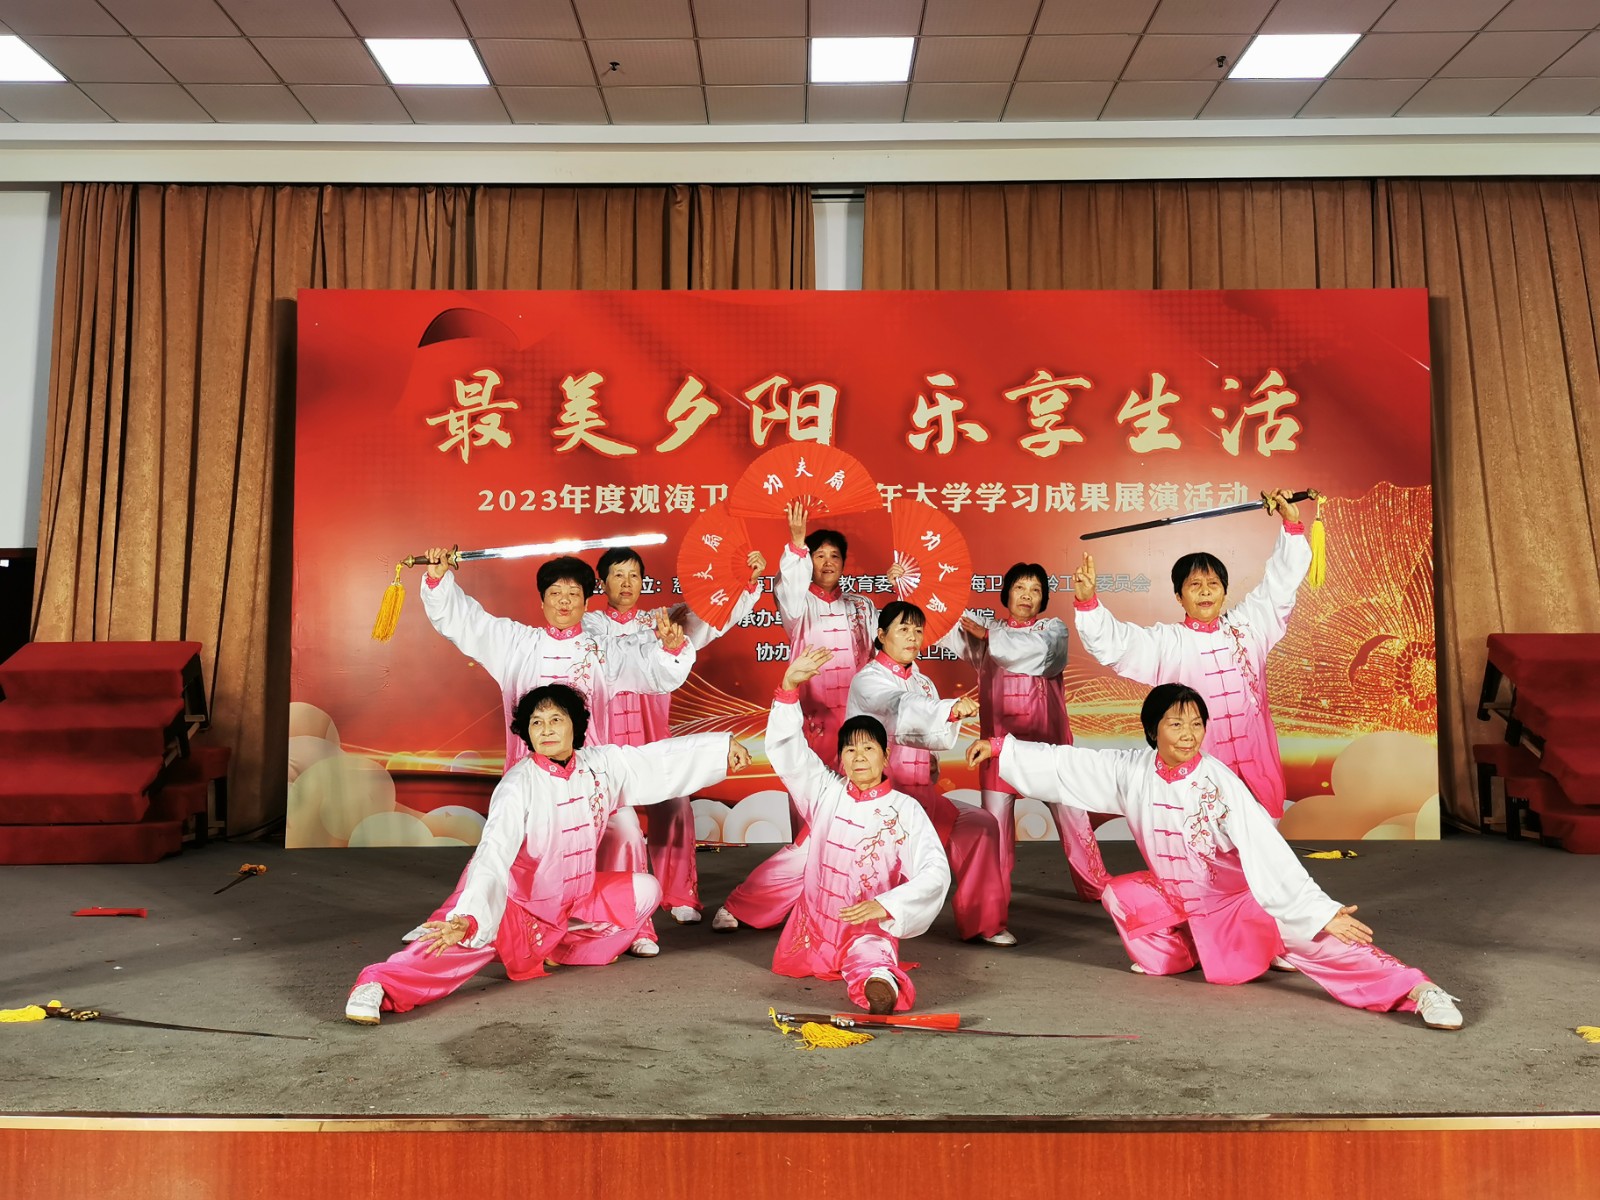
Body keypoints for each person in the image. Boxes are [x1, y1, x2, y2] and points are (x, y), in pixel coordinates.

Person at [966, 683, 1464, 1030]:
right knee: (1121, 894)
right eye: (1176, 723)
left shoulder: (1218, 784)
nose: (1188, 733)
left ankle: (1418, 991)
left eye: (1196, 723)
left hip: (1235, 903)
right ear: (1153, 730)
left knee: (1323, 947)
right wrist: (1001, 748)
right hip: (1176, 898)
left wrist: (1319, 911)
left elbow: (1268, 849)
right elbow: (1070, 764)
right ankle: (1189, 952)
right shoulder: (1132, 769)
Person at [345, 684, 750, 1025]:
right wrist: (470, 917)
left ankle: (559, 948)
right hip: (517, 904)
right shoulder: (518, 784)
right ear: (527, 732)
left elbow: (654, 762)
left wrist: (719, 750)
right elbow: (492, 854)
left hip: (573, 901)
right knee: (455, 945)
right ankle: (378, 983)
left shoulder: (601, 765)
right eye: (537, 722)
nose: (547, 729)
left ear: (576, 725)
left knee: (646, 891)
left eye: (556, 719)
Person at [413, 548, 695, 956]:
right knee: (503, 846)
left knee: (628, 831)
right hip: (532, 785)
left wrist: (670, 650)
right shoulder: (516, 643)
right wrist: (440, 581)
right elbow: (467, 622)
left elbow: (653, 672)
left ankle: (634, 926)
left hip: (591, 782)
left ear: (586, 601)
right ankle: (470, 917)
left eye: (574, 593)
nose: (564, 601)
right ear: (542, 600)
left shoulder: (604, 652)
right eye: (555, 593)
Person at [1071, 489, 1311, 818]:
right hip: (1200, 773)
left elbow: (1279, 586)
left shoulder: (1250, 626)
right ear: (1178, 596)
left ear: (1225, 591)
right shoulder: (1168, 643)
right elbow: (1117, 643)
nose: (1205, 592)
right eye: (1194, 585)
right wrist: (1087, 603)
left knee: (1261, 841)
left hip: (1258, 769)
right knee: (1204, 840)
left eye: (1213, 584)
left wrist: (1292, 526)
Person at [754, 647, 950, 1013]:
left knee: (873, 957)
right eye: (850, 750)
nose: (858, 757)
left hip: (867, 925)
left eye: (868, 748)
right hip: (814, 927)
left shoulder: (904, 809)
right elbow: (790, 754)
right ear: (841, 759)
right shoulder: (825, 790)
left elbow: (935, 870)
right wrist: (788, 688)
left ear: (885, 756)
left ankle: (880, 984)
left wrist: (887, 905)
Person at [714, 501, 877, 933]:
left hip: (859, 726)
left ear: (845, 563)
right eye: (819, 555)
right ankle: (782, 898)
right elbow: (788, 586)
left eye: (835, 556)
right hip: (813, 723)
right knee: (810, 820)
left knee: (854, 819)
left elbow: (880, 652)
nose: (828, 562)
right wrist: (797, 544)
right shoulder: (798, 604)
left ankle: (840, 896)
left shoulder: (861, 607)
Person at [582, 544, 765, 925]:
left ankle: (680, 893)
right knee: (620, 824)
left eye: (634, 575)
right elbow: (608, 654)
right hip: (607, 745)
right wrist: (655, 641)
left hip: (654, 736)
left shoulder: (662, 620)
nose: (627, 582)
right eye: (618, 574)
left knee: (676, 806)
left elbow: (709, 617)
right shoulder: (590, 626)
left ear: (643, 582)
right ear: (602, 583)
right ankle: (621, 898)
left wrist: (744, 585)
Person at [939, 561, 1111, 904]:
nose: (1027, 595)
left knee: (1075, 825)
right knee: (995, 831)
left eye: (1035, 590)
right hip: (997, 751)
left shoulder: (1053, 630)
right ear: (1007, 593)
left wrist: (989, 636)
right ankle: (993, 898)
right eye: (1020, 587)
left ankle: (1097, 889)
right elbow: (942, 620)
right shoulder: (987, 631)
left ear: (1043, 598)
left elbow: (1039, 653)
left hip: (1050, 749)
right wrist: (909, 586)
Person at [844, 601, 1014, 946]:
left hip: (922, 797)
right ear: (881, 635)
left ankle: (984, 923)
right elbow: (897, 705)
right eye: (903, 629)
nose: (913, 636)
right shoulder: (868, 680)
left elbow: (932, 735)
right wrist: (949, 709)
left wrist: (933, 755)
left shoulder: (922, 683)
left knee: (980, 826)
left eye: (918, 630)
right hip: (882, 801)